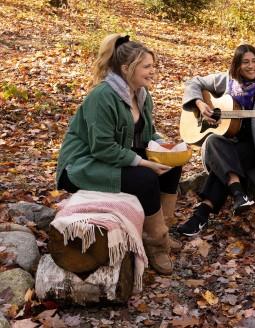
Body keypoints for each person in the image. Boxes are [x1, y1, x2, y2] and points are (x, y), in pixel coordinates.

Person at [56, 34, 182, 275]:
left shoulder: (142, 95)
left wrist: (165, 147)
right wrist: (144, 162)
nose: (152, 71)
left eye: (152, 66)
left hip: (112, 155)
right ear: (126, 68)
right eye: (147, 67)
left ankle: (162, 230)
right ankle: (155, 242)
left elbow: (148, 134)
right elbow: (102, 147)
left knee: (172, 165)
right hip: (83, 164)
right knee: (145, 178)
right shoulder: (102, 97)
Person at [177, 44, 255, 236]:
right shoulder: (227, 80)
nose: (251, 66)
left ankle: (201, 215)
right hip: (229, 145)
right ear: (237, 65)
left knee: (223, 163)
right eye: (246, 62)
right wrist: (200, 103)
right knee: (211, 142)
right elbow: (194, 82)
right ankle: (237, 192)